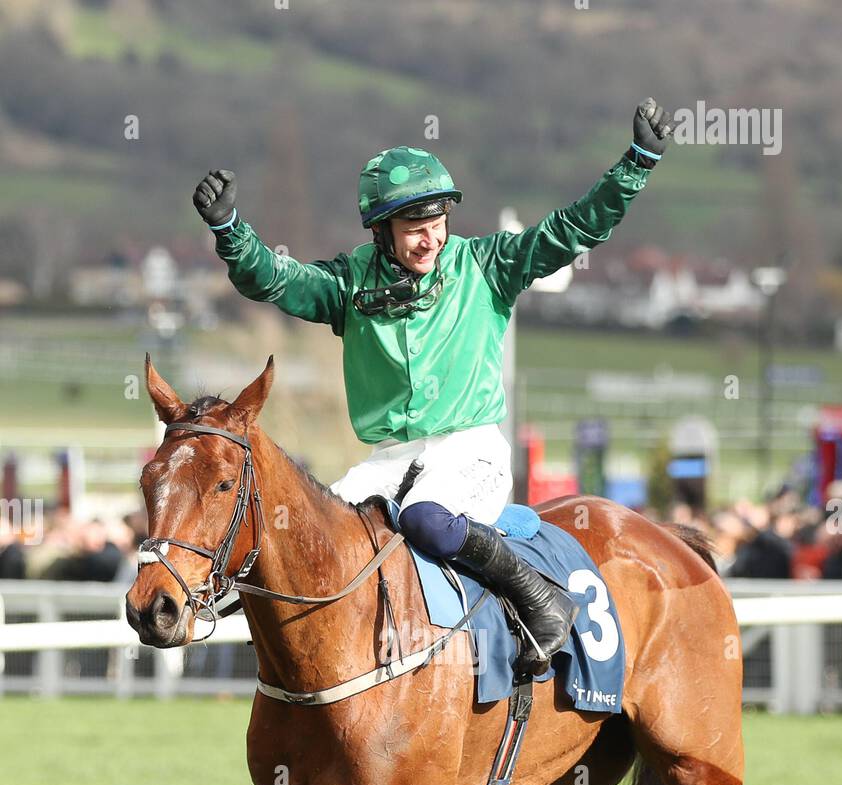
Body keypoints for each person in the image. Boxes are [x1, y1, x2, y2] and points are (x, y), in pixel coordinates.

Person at [193, 100, 672, 672]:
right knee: (304, 534)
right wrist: (230, 230)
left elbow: (571, 229)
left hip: (470, 450)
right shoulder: (348, 283)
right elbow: (274, 279)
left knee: (423, 517)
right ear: (381, 231)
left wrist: (636, 164)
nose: (429, 239)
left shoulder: (488, 265)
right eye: (413, 228)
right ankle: (208, 609)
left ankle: (540, 599)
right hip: (389, 460)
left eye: (437, 223)